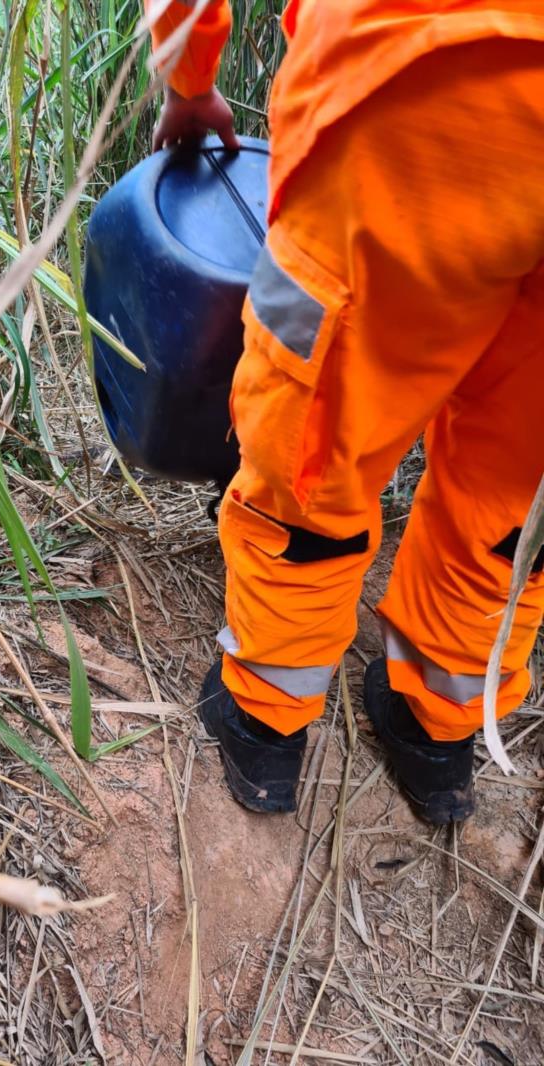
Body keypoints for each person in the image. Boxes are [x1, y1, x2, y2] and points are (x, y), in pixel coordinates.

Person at [145, 0, 544, 824]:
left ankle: (264, 722)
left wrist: (188, 80)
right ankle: (435, 733)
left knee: (317, 444)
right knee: (517, 487)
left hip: (419, 88)